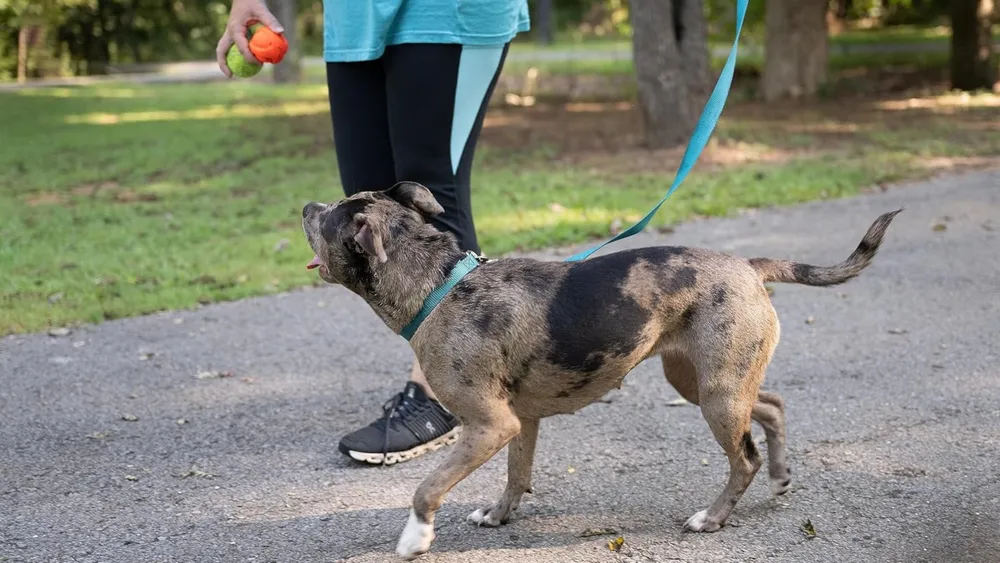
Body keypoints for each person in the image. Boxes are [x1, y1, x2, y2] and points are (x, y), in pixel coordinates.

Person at [217, 0, 530, 465]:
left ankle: (447, 392)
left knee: (432, 192)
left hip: (446, 14)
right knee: (370, 200)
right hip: (355, 16)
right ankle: (462, 371)